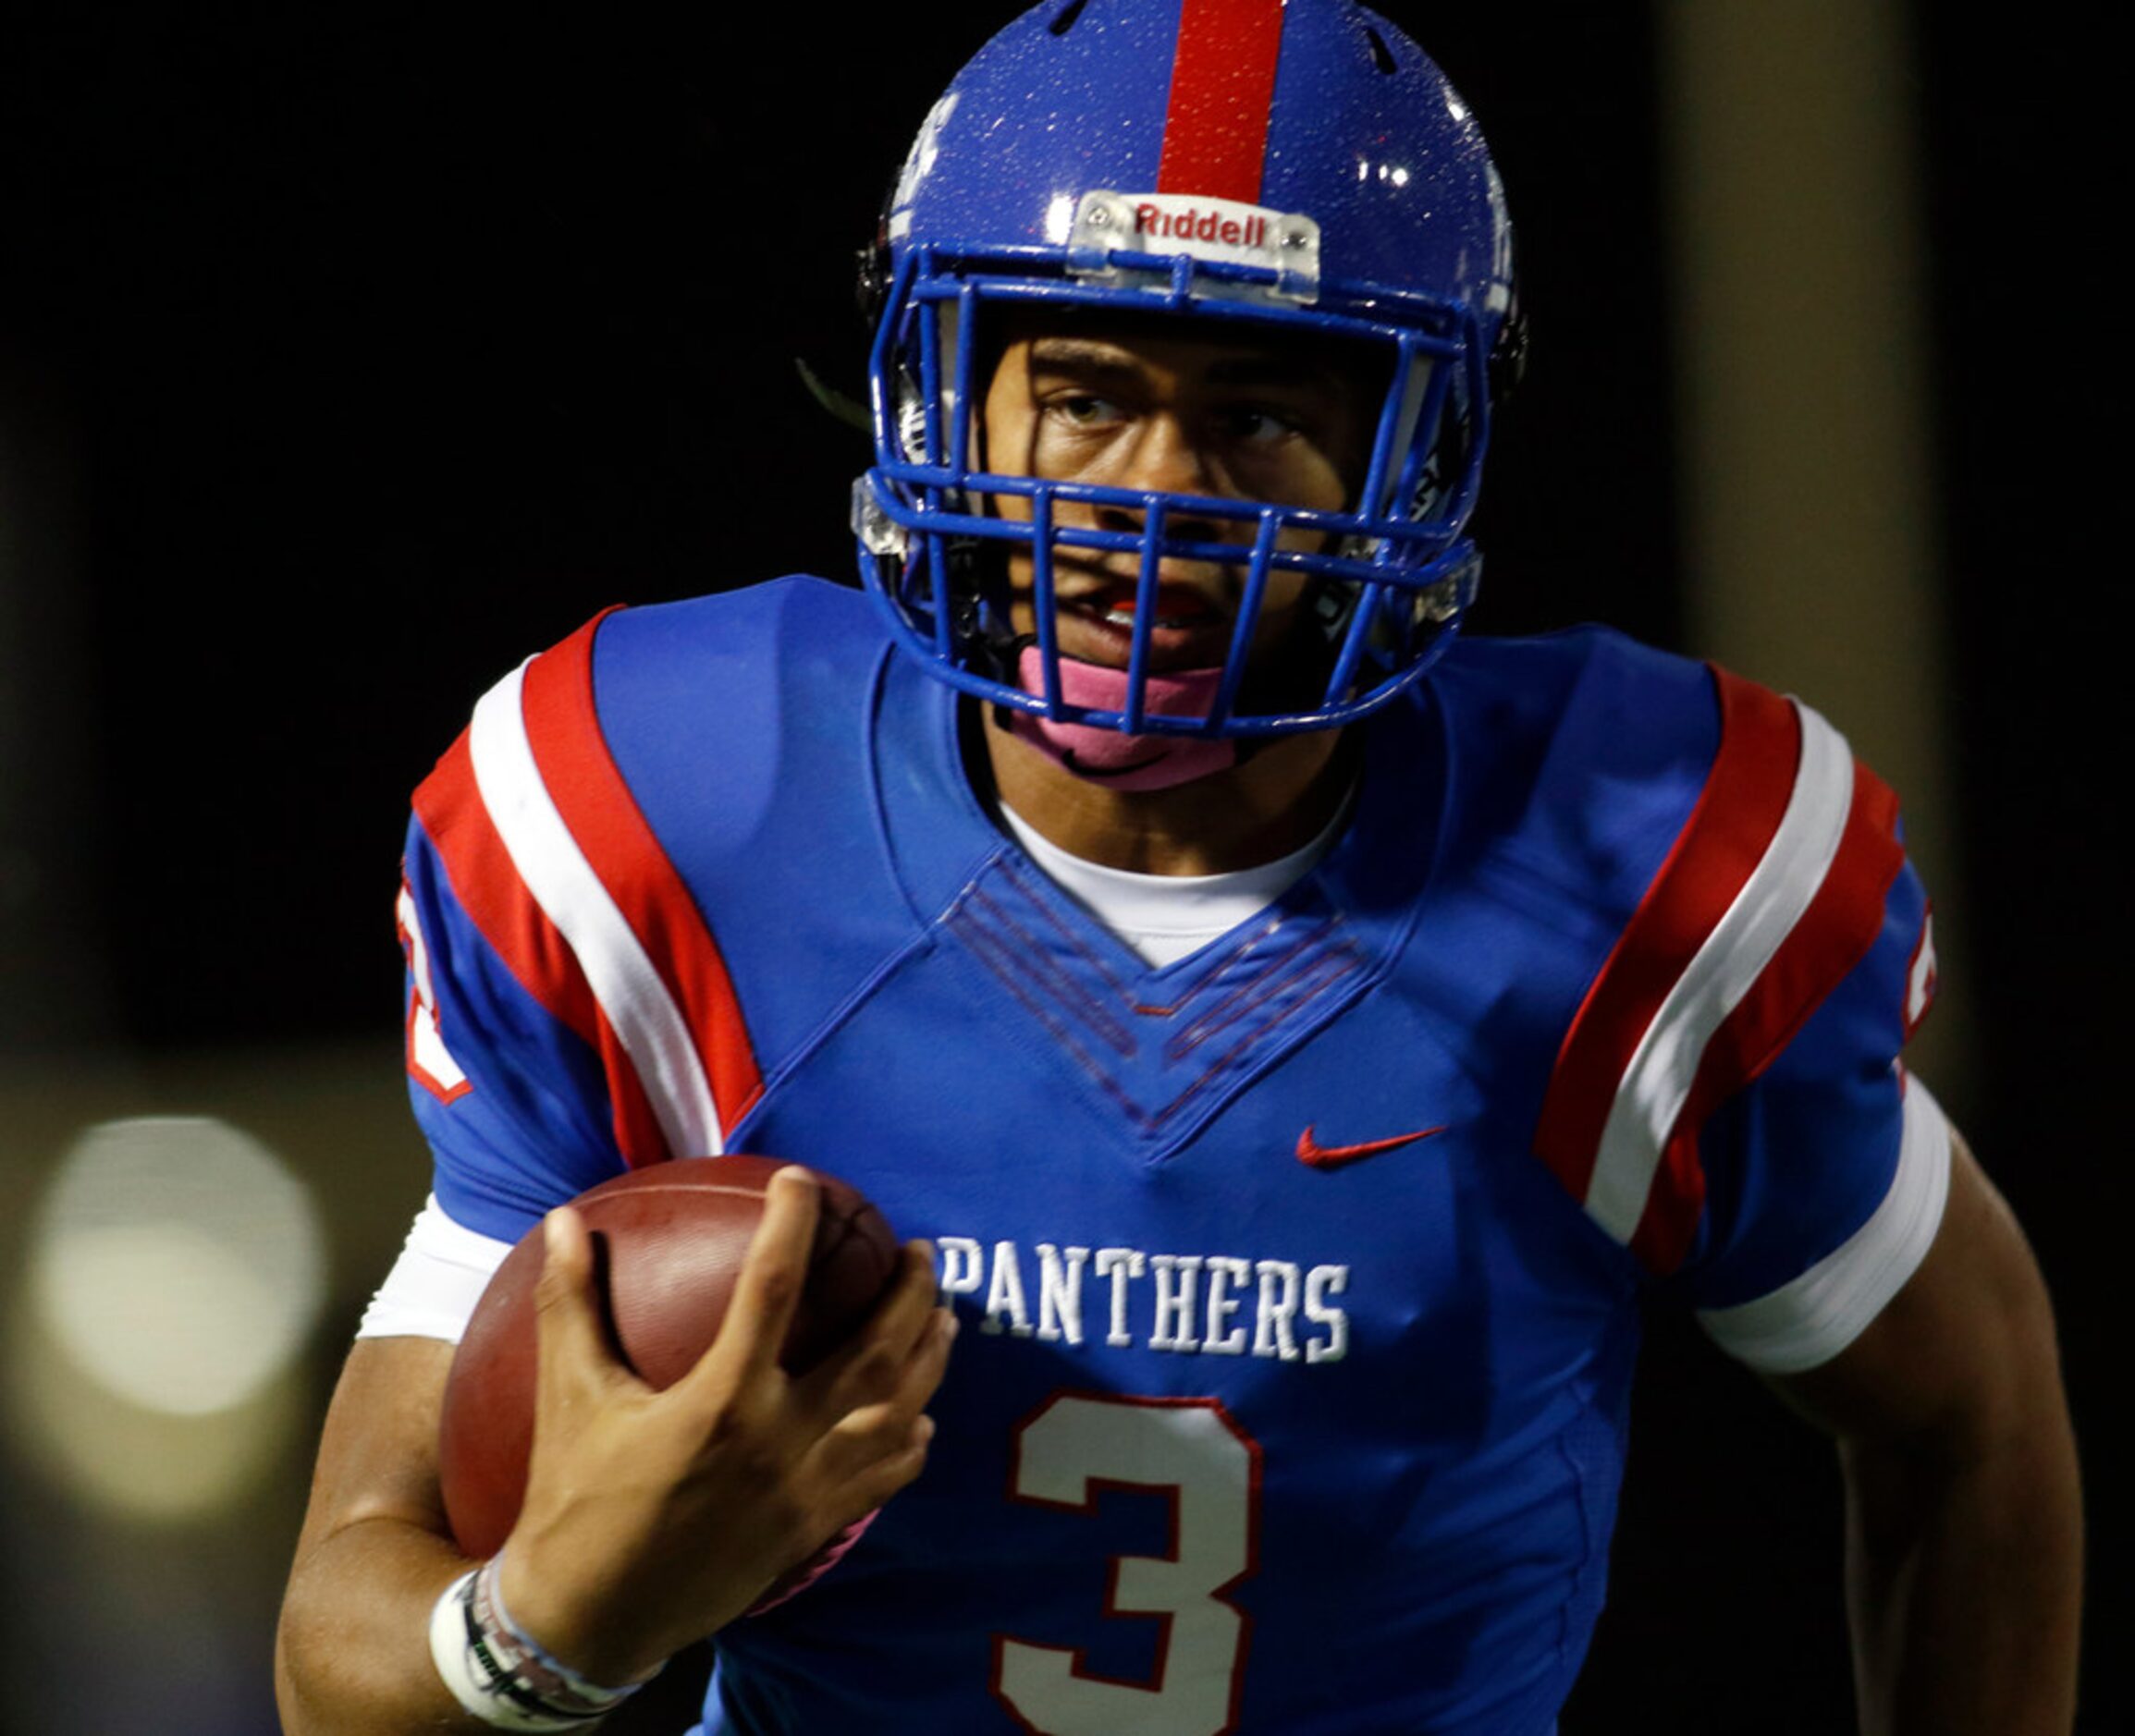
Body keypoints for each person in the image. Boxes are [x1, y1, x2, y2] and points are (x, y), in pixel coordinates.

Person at [276, 3, 2082, 1731]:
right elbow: (339, 1653)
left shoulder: (1653, 878)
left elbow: (1973, 1411)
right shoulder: (662, 820)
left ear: (1416, 450)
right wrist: (553, 1628)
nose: (1149, 501)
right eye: (1081, 393)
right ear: (946, 397)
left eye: (1257, 418)